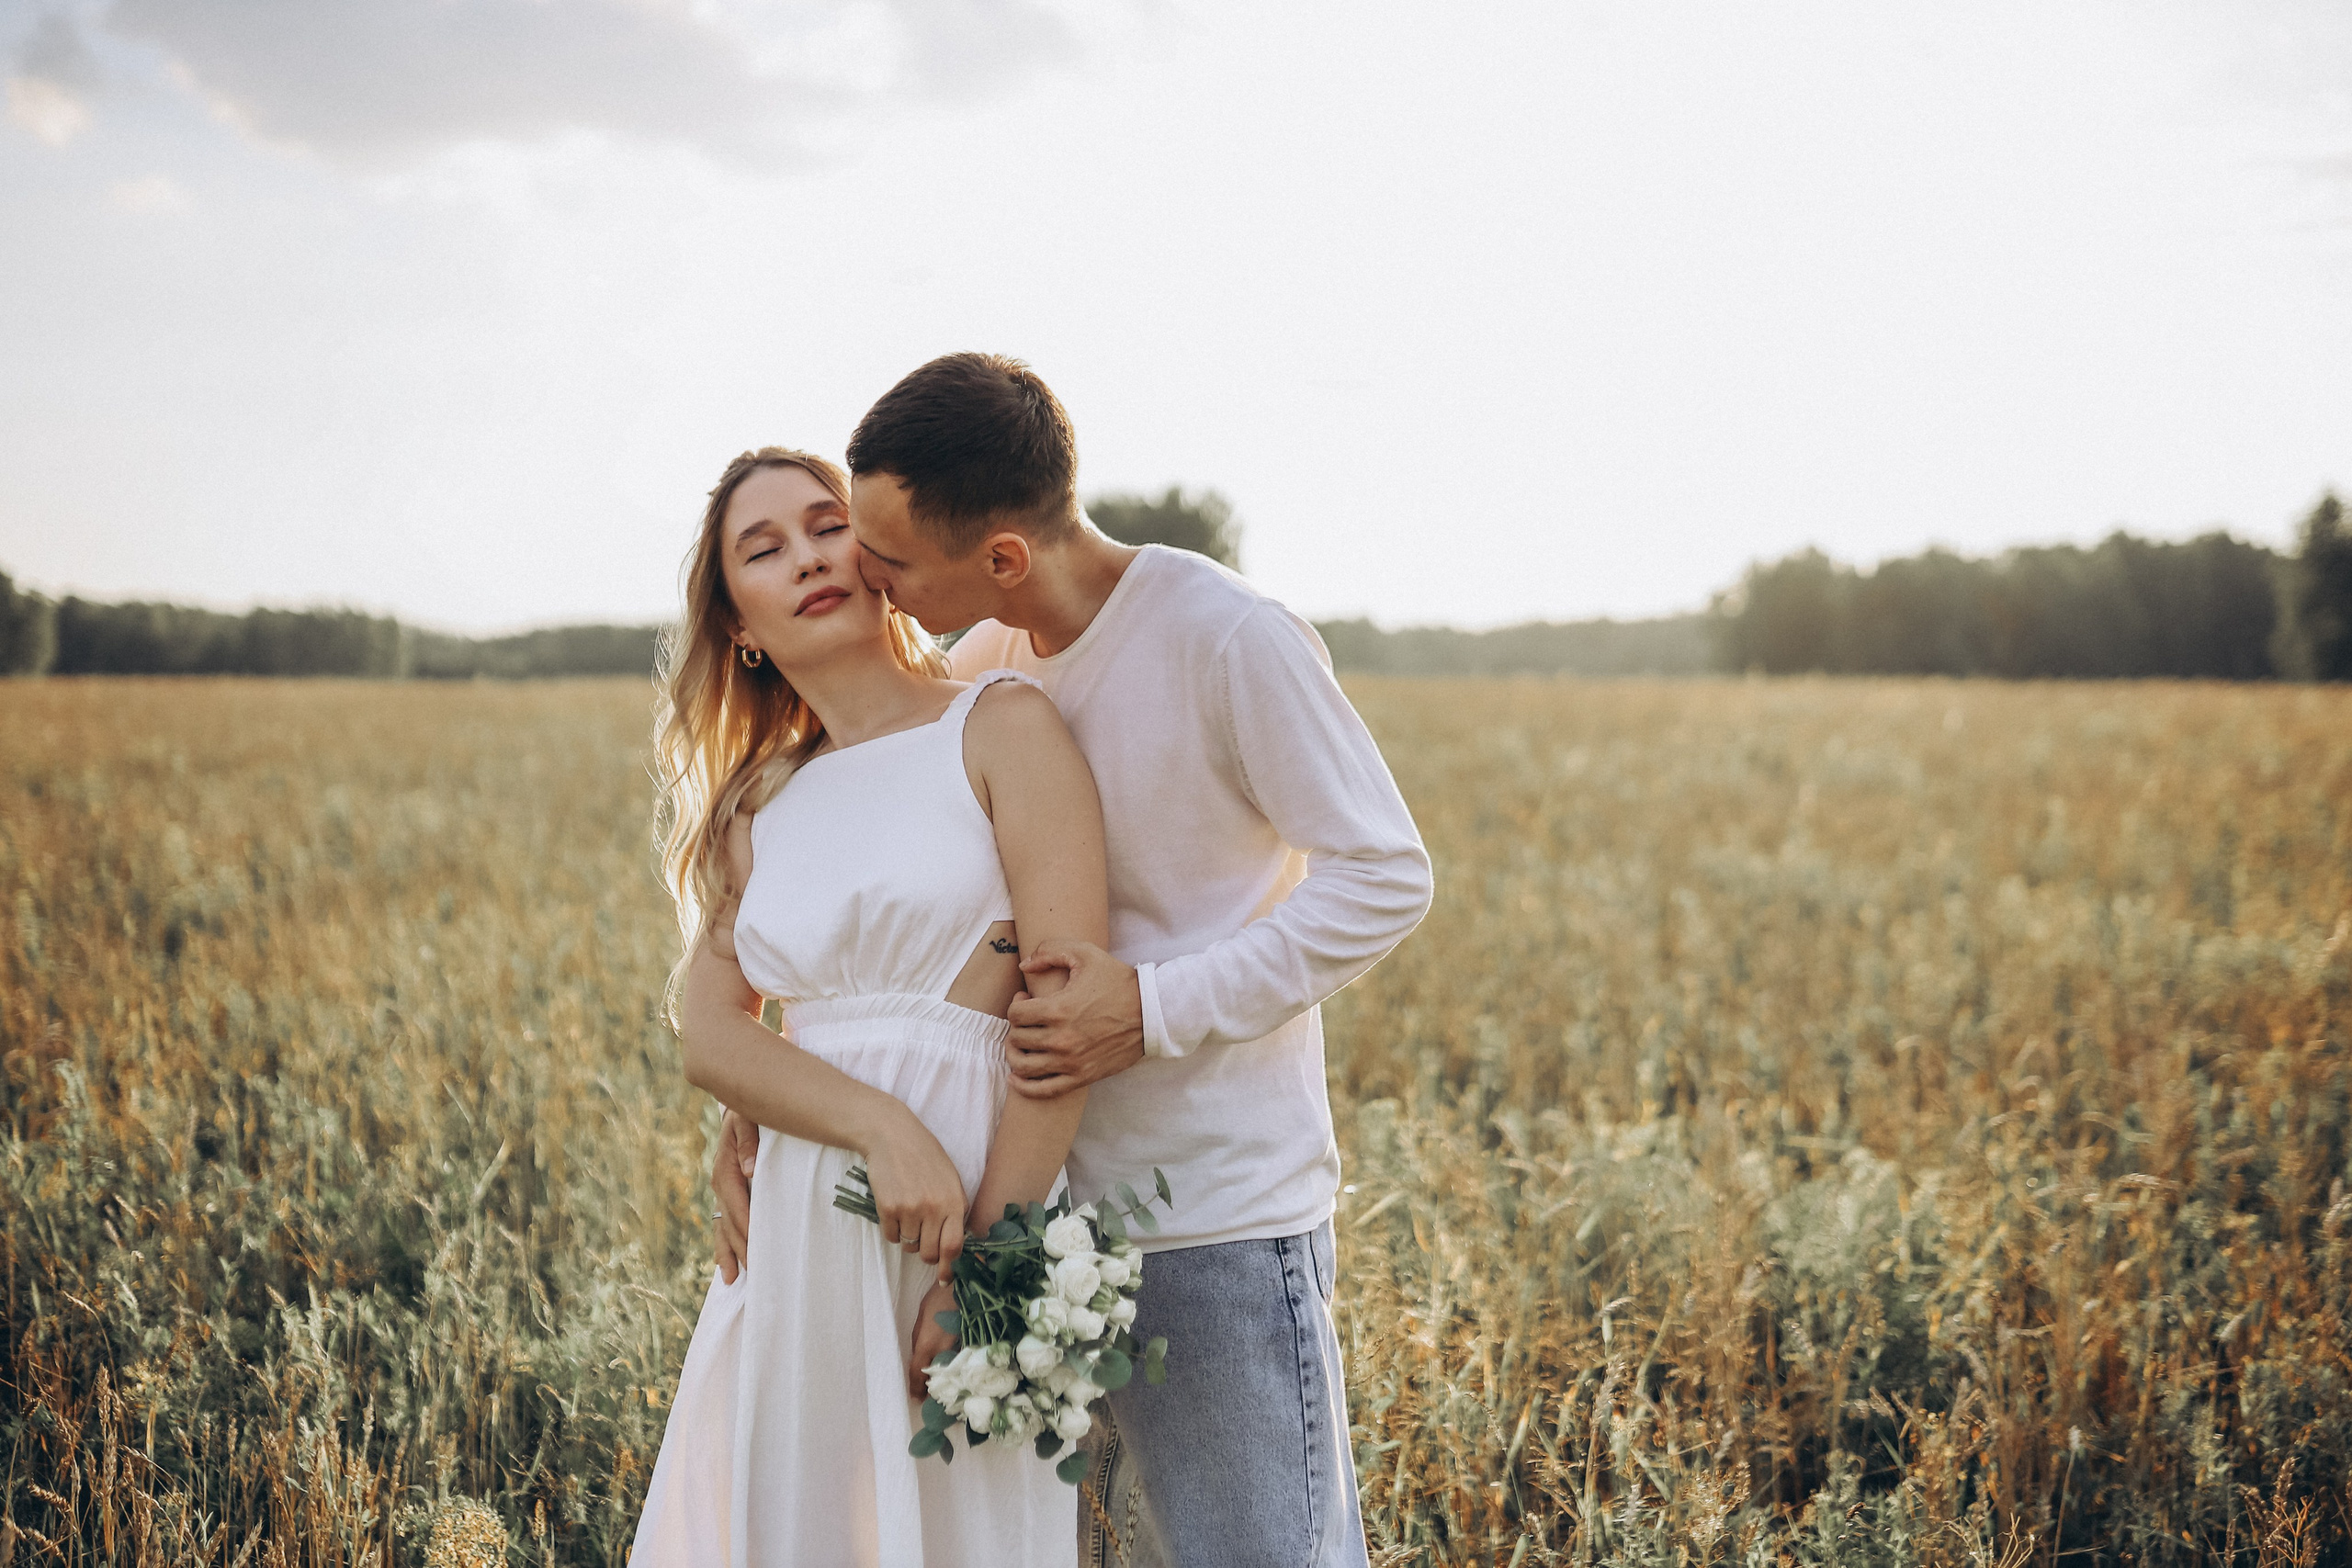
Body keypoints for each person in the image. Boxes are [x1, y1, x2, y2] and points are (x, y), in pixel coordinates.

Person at [712, 355, 1434, 1568]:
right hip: (1035, 1218)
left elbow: (1386, 874)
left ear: (999, 554)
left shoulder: (1227, 640)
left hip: (1204, 1213)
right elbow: (911, 913)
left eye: (886, 554)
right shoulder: (988, 658)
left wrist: (1151, 1006)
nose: (864, 575)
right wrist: (769, 1102)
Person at [634, 446, 1106, 1567]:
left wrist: (989, 1271)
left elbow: (1066, 1027)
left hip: (970, 1224)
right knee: (798, 1530)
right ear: (739, 623)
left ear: (876, 547)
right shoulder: (760, 802)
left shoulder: (998, 727)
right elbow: (710, 1034)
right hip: (806, 1223)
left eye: (823, 525)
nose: (807, 557)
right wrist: (879, 1128)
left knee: (966, 1537)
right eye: (765, 549)